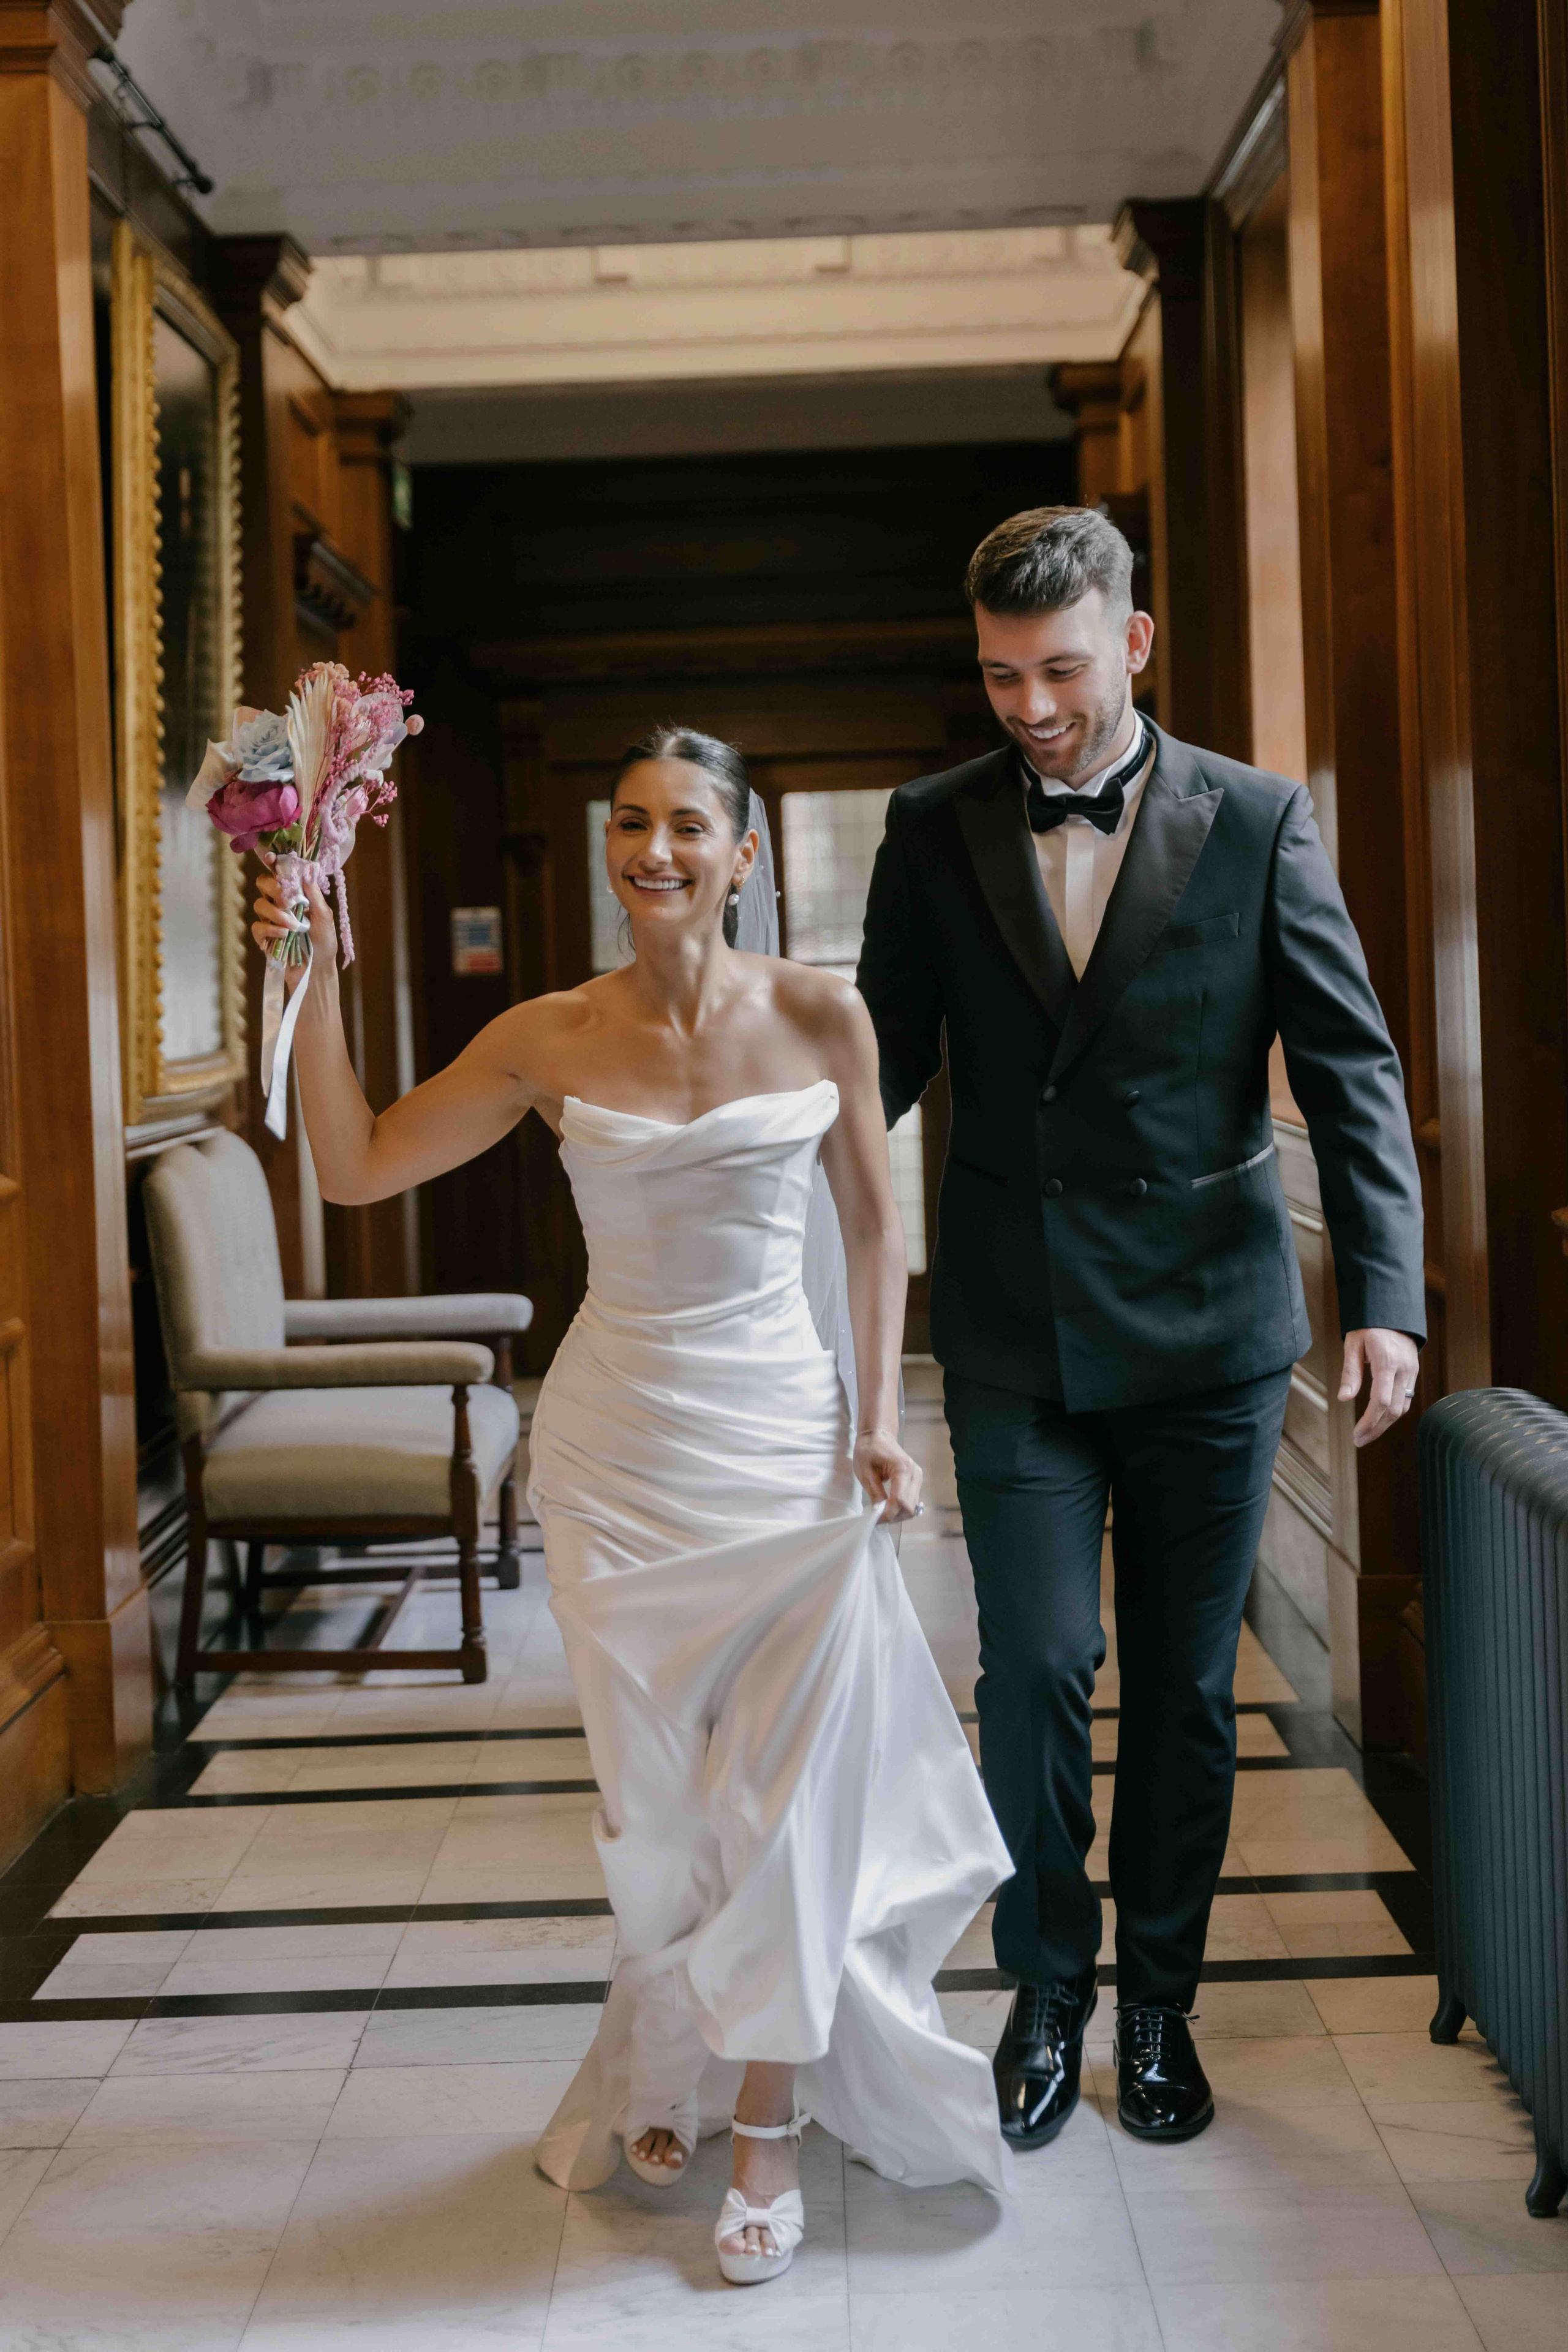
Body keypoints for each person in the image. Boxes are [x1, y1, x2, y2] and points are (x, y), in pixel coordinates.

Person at [251, 723, 1011, 2289]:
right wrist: (310, 972)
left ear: (743, 855)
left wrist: (878, 1421)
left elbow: (876, 1230)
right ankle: (661, 2046)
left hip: (786, 1451)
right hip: (615, 1461)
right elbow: (353, 1165)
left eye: (683, 825)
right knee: (654, 1809)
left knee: (783, 1807)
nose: (650, 851)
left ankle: (766, 2124)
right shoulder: (548, 1034)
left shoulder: (822, 1014)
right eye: (626, 823)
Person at [856, 507, 1425, 2155]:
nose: (1031, 709)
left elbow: (1350, 1066)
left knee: (1180, 1690)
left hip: (1209, 1331)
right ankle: (1047, 1985)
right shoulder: (930, 826)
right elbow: (875, 1061)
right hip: (1013, 1329)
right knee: (1035, 1663)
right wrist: (736, 1171)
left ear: (1135, 643)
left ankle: (1161, 2001)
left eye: (1060, 671)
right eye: (1000, 678)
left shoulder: (1255, 818)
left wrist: (1384, 1298)